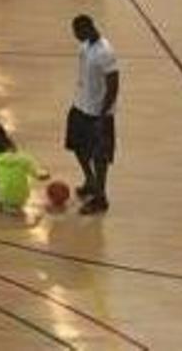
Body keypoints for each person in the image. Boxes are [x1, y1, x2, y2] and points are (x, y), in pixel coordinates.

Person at [66, 15, 119, 215]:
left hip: (99, 113)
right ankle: (91, 181)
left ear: (87, 28)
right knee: (78, 147)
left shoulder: (106, 52)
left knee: (100, 157)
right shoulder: (85, 46)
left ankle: (100, 198)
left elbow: (114, 86)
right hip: (80, 106)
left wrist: (103, 115)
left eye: (77, 32)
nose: (75, 36)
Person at [0, 124, 46, 214]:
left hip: (2, 188)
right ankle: (17, 201)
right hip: (23, 196)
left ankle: (4, 205)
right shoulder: (24, 158)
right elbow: (36, 174)